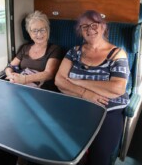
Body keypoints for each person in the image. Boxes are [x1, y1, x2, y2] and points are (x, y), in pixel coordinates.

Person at [55, 10, 130, 165]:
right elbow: (59, 81)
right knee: (67, 151)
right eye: (84, 27)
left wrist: (79, 82)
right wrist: (85, 94)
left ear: (102, 27)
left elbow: (117, 88)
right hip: (76, 105)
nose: (89, 29)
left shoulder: (117, 53)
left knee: (99, 156)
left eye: (94, 25)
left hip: (107, 109)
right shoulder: (74, 52)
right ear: (81, 31)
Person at [5, 10, 62, 91]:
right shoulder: (25, 48)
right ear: (29, 33)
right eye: (34, 31)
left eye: (42, 29)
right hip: (19, 86)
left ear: (48, 30)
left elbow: (49, 74)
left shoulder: (55, 49)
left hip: (41, 91)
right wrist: (11, 77)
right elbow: (10, 66)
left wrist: (24, 79)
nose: (39, 34)